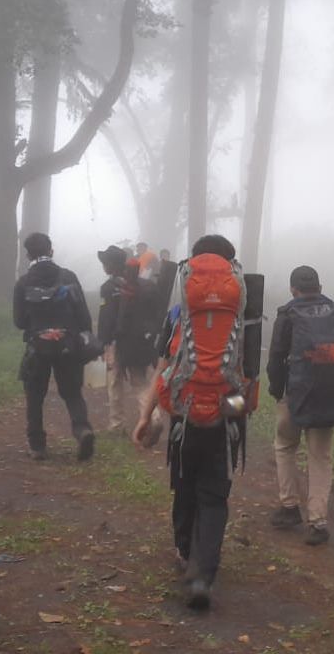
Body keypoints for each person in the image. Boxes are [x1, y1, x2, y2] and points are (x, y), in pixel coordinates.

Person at [133, 235, 262, 610]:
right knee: (214, 494)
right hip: (226, 414)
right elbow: (250, 371)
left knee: (184, 482)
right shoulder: (246, 307)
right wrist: (236, 407)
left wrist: (145, 415)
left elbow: (164, 365)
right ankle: (203, 574)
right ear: (231, 268)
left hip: (183, 414)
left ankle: (185, 553)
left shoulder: (179, 311)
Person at [267, 265, 334, 545]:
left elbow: (275, 358)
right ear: (320, 287)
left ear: (293, 289)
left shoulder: (287, 314)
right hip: (328, 394)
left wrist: (278, 391)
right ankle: (318, 522)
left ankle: (290, 506)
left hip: (295, 394)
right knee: (320, 457)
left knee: (285, 447)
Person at [13, 233, 94, 461]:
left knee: (35, 395)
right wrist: (83, 336)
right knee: (71, 392)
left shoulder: (23, 282)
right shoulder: (68, 276)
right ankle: (82, 430)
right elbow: (83, 315)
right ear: (51, 250)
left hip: (37, 346)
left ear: (28, 254)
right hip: (68, 343)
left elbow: (19, 321)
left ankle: (37, 446)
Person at [98, 246, 159, 435]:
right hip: (140, 342)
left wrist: (103, 342)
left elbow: (106, 318)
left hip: (118, 343)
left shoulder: (108, 288)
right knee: (140, 382)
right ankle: (154, 417)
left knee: (115, 382)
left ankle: (117, 424)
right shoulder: (145, 285)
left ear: (110, 266)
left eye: (105, 263)